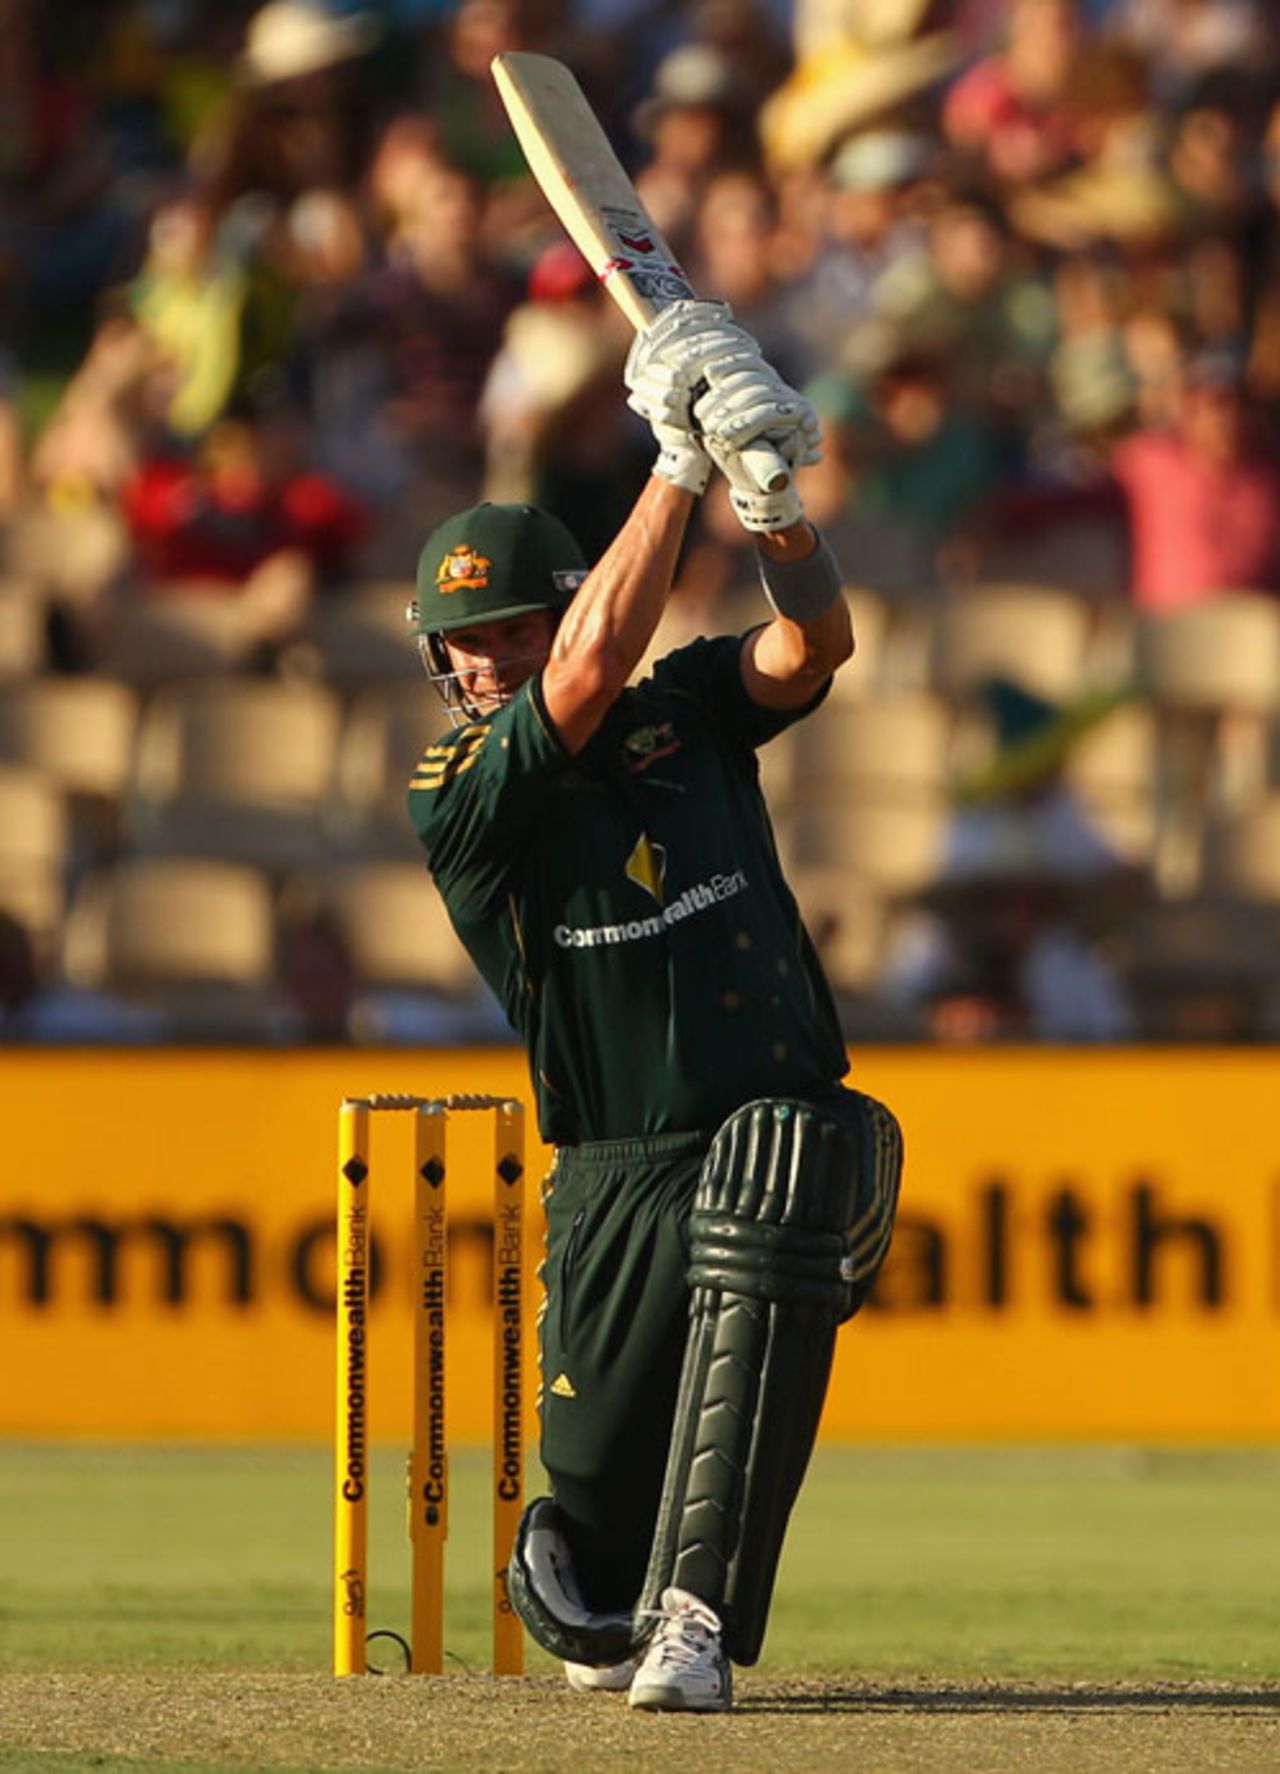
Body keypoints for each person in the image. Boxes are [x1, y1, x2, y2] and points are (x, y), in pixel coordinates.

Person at [405, 302, 903, 1713]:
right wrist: (675, 465)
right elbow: (569, 689)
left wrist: (775, 513)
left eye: (512, 628)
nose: (490, 660)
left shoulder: (687, 705)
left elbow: (811, 650)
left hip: (785, 1128)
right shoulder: (459, 797)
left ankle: (702, 1619)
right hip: (613, 1178)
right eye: (465, 644)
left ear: (565, 609)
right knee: (584, 1543)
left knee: (781, 1167)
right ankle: (621, 1585)